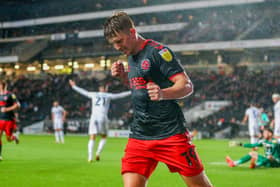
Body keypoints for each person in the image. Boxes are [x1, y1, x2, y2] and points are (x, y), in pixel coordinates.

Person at [104, 11, 212, 187]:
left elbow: (187, 85)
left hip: (170, 134)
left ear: (132, 32)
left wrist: (163, 93)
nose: (116, 47)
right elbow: (139, 89)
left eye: (119, 41)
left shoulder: (158, 52)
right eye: (113, 43)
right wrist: (124, 78)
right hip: (140, 134)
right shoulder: (130, 55)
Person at [69, 80, 131, 162]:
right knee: (104, 136)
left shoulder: (93, 94)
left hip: (93, 117)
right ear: (106, 88)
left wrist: (74, 86)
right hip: (103, 117)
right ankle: (98, 153)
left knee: (92, 137)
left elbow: (83, 92)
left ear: (99, 88)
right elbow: (120, 95)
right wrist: (131, 91)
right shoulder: (108, 95)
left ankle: (90, 157)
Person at [0, 80, 20, 161]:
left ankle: (14, 137)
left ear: (4, 85)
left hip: (9, 120)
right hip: (0, 119)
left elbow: (17, 105)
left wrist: (7, 109)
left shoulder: (11, 95)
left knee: (8, 139)